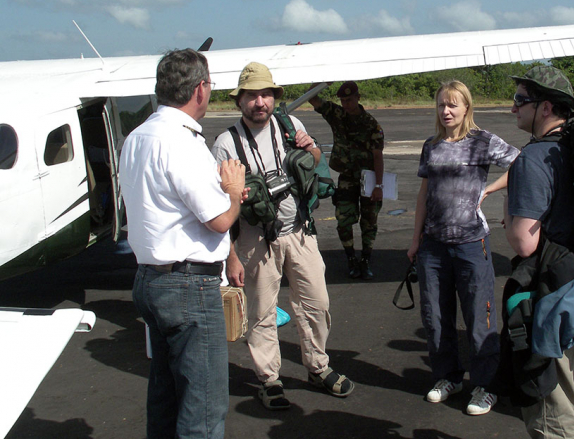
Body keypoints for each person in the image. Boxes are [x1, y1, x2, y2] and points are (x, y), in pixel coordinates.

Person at [212, 62, 354, 411]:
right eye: (251, 96)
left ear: (275, 97)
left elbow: (316, 164)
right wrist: (230, 257)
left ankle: (318, 367)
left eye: (265, 94)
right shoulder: (225, 144)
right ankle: (269, 379)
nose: (259, 102)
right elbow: (218, 207)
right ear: (239, 101)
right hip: (255, 239)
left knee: (317, 304)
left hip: (300, 232)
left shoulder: (291, 126)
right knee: (261, 312)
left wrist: (312, 150)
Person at [119, 49, 246, 439]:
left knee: (165, 395)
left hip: (148, 279)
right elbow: (219, 219)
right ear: (200, 89)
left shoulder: (136, 137)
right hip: (188, 286)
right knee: (202, 409)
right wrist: (234, 191)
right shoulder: (183, 143)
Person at [504, 66, 574, 439]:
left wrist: (508, 216)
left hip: (557, 294)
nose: (513, 108)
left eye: (521, 100)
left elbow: (525, 242)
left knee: (556, 407)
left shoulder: (534, 158)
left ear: (546, 107)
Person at [407, 80, 519, 416]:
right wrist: (415, 241)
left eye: (453, 105)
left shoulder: (482, 142)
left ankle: (486, 385)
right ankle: (447, 377)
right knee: (436, 316)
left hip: (471, 243)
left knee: (478, 315)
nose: (446, 111)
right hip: (434, 245)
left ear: (466, 108)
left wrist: (490, 189)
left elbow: (521, 164)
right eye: (442, 104)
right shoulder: (432, 146)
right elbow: (424, 195)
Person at [309, 81, 384, 280]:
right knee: (344, 219)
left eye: (349, 100)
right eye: (342, 100)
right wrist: (322, 83)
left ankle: (366, 259)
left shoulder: (371, 124)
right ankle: (351, 258)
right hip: (347, 178)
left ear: (358, 98)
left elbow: (378, 156)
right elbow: (312, 98)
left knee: (369, 221)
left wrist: (378, 186)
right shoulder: (337, 115)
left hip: (368, 178)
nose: (346, 104)